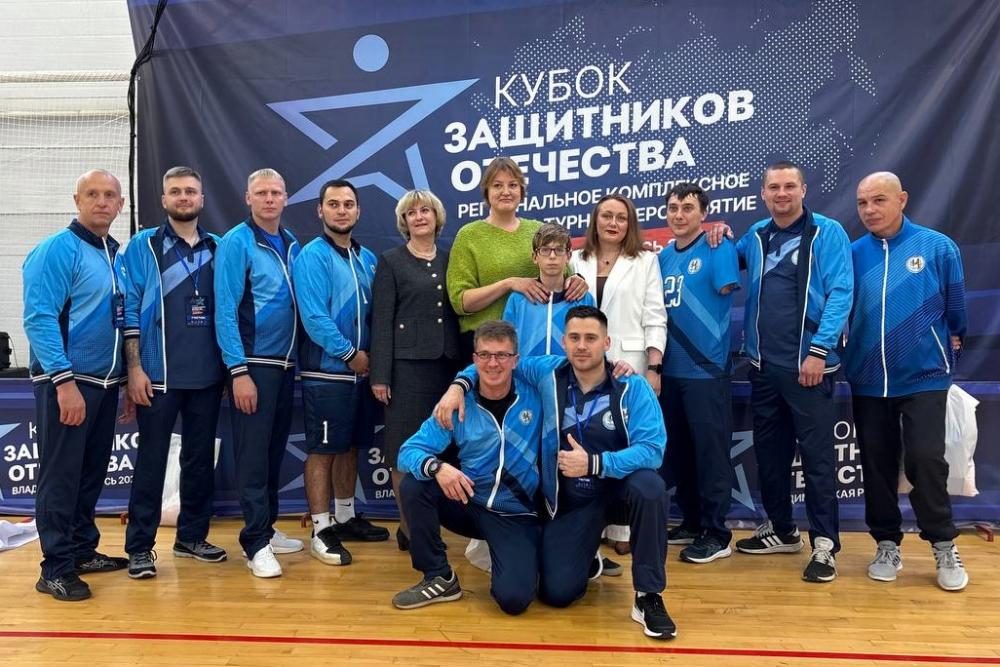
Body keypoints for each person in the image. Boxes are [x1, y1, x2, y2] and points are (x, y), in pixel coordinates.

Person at [438, 306, 675, 639]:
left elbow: (653, 449)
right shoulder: (547, 372)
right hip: (573, 503)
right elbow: (494, 361)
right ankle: (586, 557)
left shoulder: (631, 385)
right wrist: (458, 386)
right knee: (558, 593)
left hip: (618, 491)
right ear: (563, 342)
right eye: (574, 338)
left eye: (591, 338)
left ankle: (649, 596)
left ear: (607, 343)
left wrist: (595, 463)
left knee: (650, 486)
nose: (582, 346)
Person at [846, 172, 969, 591]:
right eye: (862, 203)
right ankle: (886, 543)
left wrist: (945, 345)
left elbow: (957, 313)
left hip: (924, 377)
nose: (869, 210)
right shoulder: (852, 254)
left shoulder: (937, 247)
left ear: (902, 199)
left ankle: (943, 544)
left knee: (925, 458)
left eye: (878, 200)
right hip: (867, 378)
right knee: (876, 463)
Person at [732, 161, 853, 584]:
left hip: (809, 369)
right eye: (774, 187)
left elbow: (841, 292)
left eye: (789, 186)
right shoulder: (756, 234)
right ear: (763, 194)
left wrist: (818, 351)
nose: (781, 194)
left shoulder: (827, 232)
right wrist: (717, 233)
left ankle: (825, 545)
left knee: (818, 461)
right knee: (770, 456)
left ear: (803, 190)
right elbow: (728, 257)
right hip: (764, 368)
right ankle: (783, 530)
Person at [23, 169, 129, 601]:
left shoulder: (114, 253)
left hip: (105, 384)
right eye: (92, 194)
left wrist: (123, 380)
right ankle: (55, 568)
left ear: (121, 205)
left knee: (89, 474)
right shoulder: (56, 250)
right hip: (68, 383)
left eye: (109, 195)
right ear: (76, 200)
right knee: (61, 477)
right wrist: (63, 382)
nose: (101, 201)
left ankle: (82, 550)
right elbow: (39, 318)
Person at [393, 321, 542, 615]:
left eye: (502, 355)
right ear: (474, 359)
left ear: (515, 359)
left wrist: (618, 368)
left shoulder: (536, 394)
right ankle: (439, 576)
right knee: (415, 484)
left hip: (514, 513)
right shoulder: (457, 404)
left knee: (514, 600)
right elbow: (407, 452)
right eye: (484, 355)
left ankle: (531, 558)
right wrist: (437, 467)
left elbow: (577, 366)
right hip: (469, 502)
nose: (493, 363)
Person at [120, 166, 226, 579]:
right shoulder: (143, 245)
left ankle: (191, 537)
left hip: (208, 377)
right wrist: (134, 368)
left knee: (199, 462)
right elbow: (129, 309)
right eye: (176, 191)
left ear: (202, 199)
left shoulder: (218, 248)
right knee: (150, 462)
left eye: (191, 191)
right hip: (157, 376)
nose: (184, 197)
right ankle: (139, 548)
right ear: (164, 200)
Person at [293, 178, 387, 568]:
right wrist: (350, 354)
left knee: (349, 447)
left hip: (361, 375)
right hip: (328, 373)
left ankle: (345, 517)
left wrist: (372, 360)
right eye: (333, 204)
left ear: (358, 210)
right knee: (323, 450)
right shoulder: (312, 256)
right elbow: (314, 317)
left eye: (348, 204)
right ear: (321, 210)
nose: (341, 210)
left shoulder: (367, 258)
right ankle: (320, 528)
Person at [214, 168, 302, 578]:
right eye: (261, 193)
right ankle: (254, 544)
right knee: (251, 457)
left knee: (271, 454)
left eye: (275, 192)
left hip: (285, 366)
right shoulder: (237, 241)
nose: (269, 199)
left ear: (286, 198)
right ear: (248, 198)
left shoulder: (291, 242)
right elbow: (225, 309)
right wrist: (238, 370)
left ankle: (266, 528)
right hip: (254, 365)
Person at [571, 194, 666, 554]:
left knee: (624, 440)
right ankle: (589, 522)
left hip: (629, 364)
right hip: (583, 364)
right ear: (595, 220)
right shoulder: (575, 259)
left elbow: (655, 317)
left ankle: (622, 525)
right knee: (586, 435)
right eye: (606, 216)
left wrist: (654, 367)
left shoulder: (645, 260)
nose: (613, 223)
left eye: (621, 218)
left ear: (630, 224)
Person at [370, 189, 460, 551]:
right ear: (404, 222)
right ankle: (410, 530)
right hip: (406, 371)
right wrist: (380, 375)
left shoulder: (452, 258)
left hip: (448, 369)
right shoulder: (391, 261)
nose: (419, 216)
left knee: (443, 450)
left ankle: (433, 525)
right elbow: (382, 322)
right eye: (412, 213)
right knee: (403, 450)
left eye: (426, 210)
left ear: (437, 217)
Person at [657, 183, 740, 563]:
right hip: (670, 371)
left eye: (688, 208)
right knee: (680, 451)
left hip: (706, 369)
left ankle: (717, 533)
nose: (679, 215)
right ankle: (691, 521)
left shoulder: (716, 246)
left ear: (703, 213)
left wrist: (720, 233)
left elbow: (726, 287)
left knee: (710, 453)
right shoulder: (661, 258)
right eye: (673, 208)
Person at [446, 156, 586, 361]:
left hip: (532, 341)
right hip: (484, 344)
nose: (506, 191)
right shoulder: (469, 235)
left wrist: (577, 280)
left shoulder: (538, 230)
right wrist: (509, 284)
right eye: (497, 185)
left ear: (521, 191)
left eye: (512, 185)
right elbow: (461, 302)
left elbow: (565, 274)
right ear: (487, 191)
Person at [503, 223, 596, 356]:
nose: (552, 256)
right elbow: (505, 345)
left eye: (559, 250)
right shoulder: (517, 299)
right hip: (526, 370)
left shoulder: (583, 298)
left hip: (570, 370)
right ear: (535, 257)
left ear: (568, 256)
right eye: (545, 250)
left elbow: (594, 343)